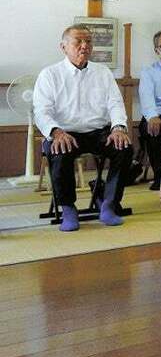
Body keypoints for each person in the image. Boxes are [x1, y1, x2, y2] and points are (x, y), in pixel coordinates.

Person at [33, 25, 132, 232]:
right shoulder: (50, 74)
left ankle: (108, 204)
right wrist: (56, 132)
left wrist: (119, 128)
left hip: (98, 131)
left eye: (88, 42)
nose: (84, 46)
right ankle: (68, 208)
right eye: (78, 41)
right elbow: (42, 111)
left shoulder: (102, 72)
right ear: (63, 47)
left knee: (124, 148)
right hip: (64, 133)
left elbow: (115, 103)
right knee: (59, 151)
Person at [137, 29, 161, 190]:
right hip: (158, 114)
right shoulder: (149, 71)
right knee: (151, 130)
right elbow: (146, 97)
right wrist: (152, 116)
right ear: (157, 50)